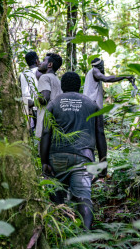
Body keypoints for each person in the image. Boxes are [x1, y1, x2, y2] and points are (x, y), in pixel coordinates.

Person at [40, 71, 107, 230]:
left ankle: (61, 232)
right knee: (84, 197)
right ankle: (85, 234)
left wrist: (44, 162)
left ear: (62, 86)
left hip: (57, 157)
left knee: (57, 197)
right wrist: (103, 162)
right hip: (83, 157)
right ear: (80, 86)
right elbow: (100, 134)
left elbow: (46, 134)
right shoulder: (92, 105)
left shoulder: (54, 104)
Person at [35, 53, 63, 139]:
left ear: (50, 64)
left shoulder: (44, 77)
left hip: (45, 120)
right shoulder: (57, 79)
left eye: (43, 61)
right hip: (55, 121)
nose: (40, 63)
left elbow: (44, 98)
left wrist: (34, 99)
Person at [19, 51, 42, 132]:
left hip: (26, 105)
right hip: (38, 105)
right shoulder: (40, 72)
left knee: (29, 131)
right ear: (37, 61)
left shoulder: (22, 74)